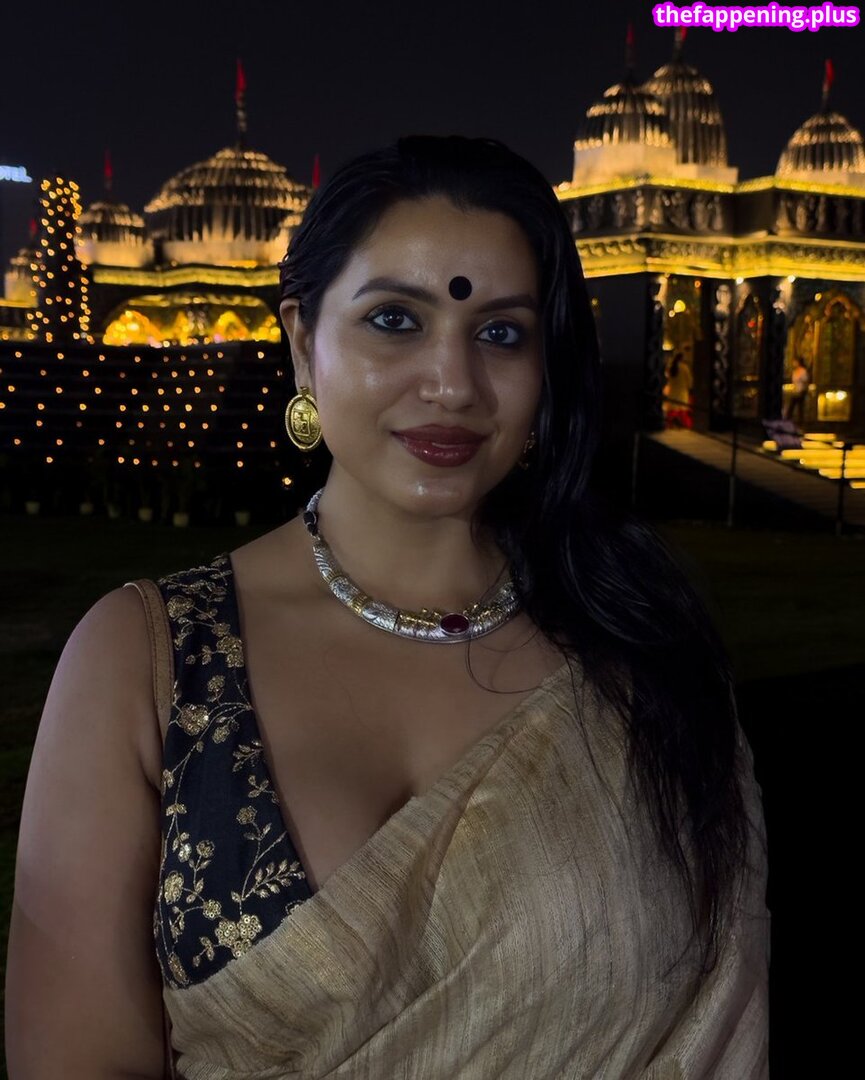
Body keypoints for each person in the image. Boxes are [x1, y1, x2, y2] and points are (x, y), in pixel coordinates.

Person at [6, 136, 769, 1078]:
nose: (452, 384)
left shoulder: (640, 652)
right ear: (302, 340)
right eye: (394, 321)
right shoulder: (149, 659)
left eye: (500, 334)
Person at [663, 351, 694, 429]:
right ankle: (685, 426)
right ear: (682, 358)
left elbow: (668, 379)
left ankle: (669, 425)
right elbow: (689, 381)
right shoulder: (684, 368)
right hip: (682, 393)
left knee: (672, 411)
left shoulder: (671, 367)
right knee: (682, 411)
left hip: (672, 393)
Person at [783, 356, 810, 425]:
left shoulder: (803, 371)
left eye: (795, 362)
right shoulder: (795, 372)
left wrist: (804, 389)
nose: (793, 363)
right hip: (796, 391)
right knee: (796, 406)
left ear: (798, 362)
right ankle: (793, 420)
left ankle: (796, 421)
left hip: (801, 391)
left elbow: (806, 381)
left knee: (796, 406)